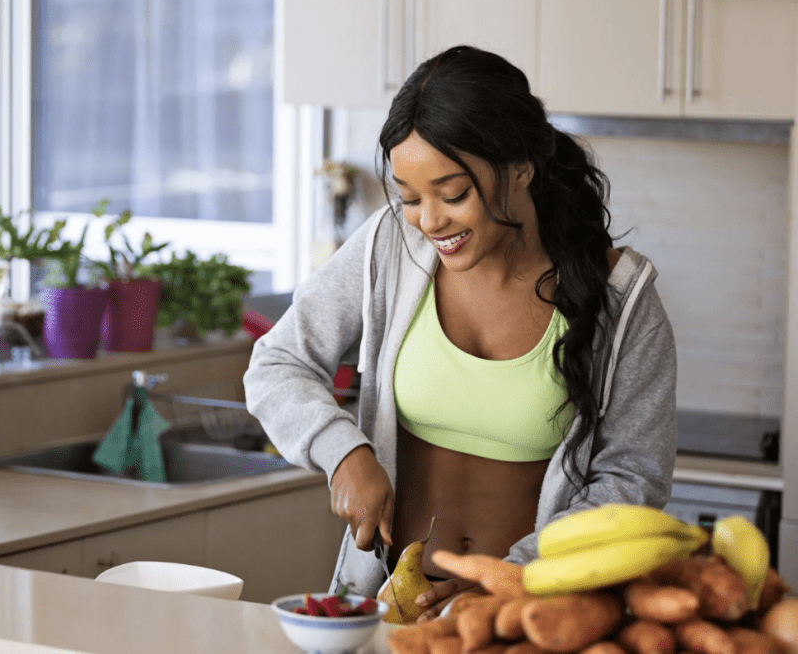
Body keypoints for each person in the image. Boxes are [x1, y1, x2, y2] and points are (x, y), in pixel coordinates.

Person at [243, 45, 677, 620]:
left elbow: (632, 479)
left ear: (521, 167)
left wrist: (509, 581)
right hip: (390, 608)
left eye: (452, 195)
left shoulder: (620, 297)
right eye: (409, 198)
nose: (429, 222)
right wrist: (344, 451)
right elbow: (277, 364)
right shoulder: (389, 247)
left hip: (529, 614)